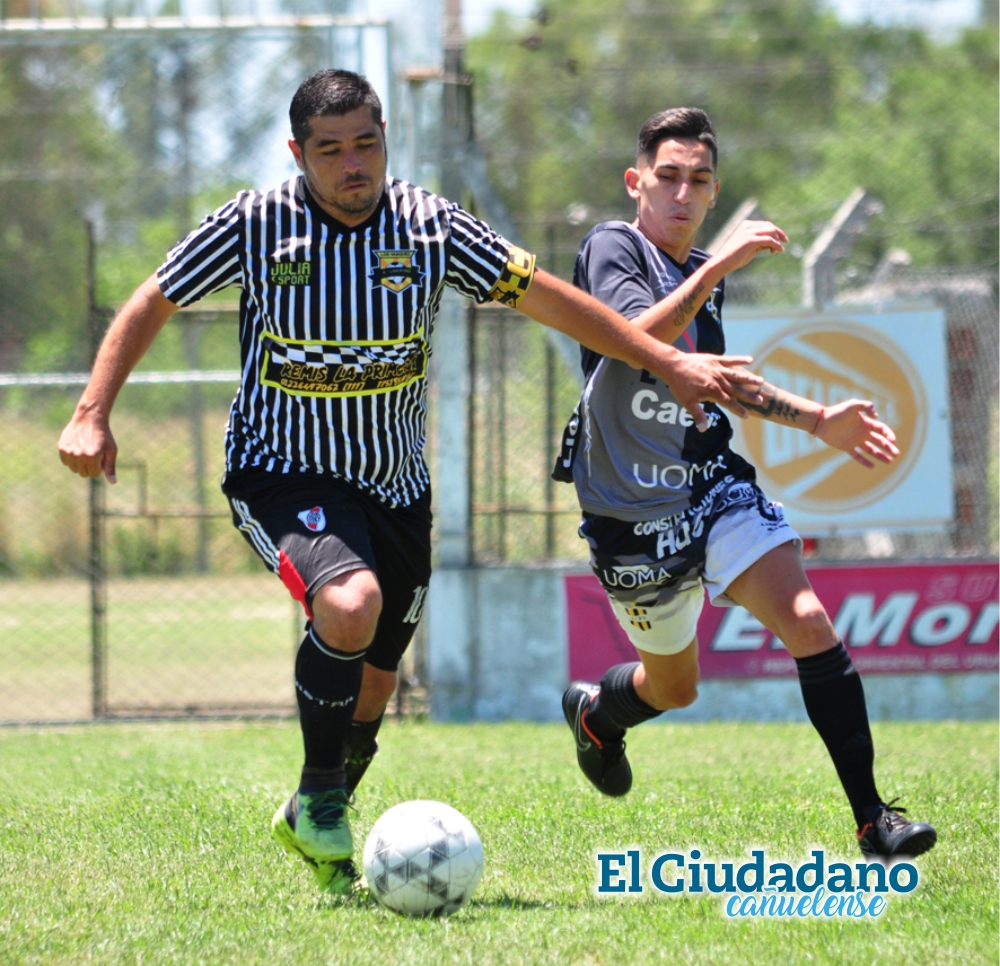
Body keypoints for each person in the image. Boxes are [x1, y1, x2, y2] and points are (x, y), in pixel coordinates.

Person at [57, 72, 768, 895]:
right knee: (348, 604)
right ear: (298, 153)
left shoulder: (430, 227)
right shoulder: (256, 223)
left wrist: (664, 358)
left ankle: (314, 813)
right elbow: (153, 298)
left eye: (366, 143)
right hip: (280, 469)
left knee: (377, 680)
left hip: (394, 483)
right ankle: (322, 801)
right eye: (330, 150)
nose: (353, 163)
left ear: (385, 135)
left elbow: (551, 300)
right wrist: (91, 411)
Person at [555, 107, 937, 859]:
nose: (683, 193)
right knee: (675, 688)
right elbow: (640, 342)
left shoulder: (706, 276)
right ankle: (600, 717)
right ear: (636, 182)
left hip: (711, 486)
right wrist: (716, 268)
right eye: (668, 176)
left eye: (699, 180)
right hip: (630, 511)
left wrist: (816, 418)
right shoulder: (612, 246)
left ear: (714, 191)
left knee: (809, 622)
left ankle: (873, 820)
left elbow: (714, 380)